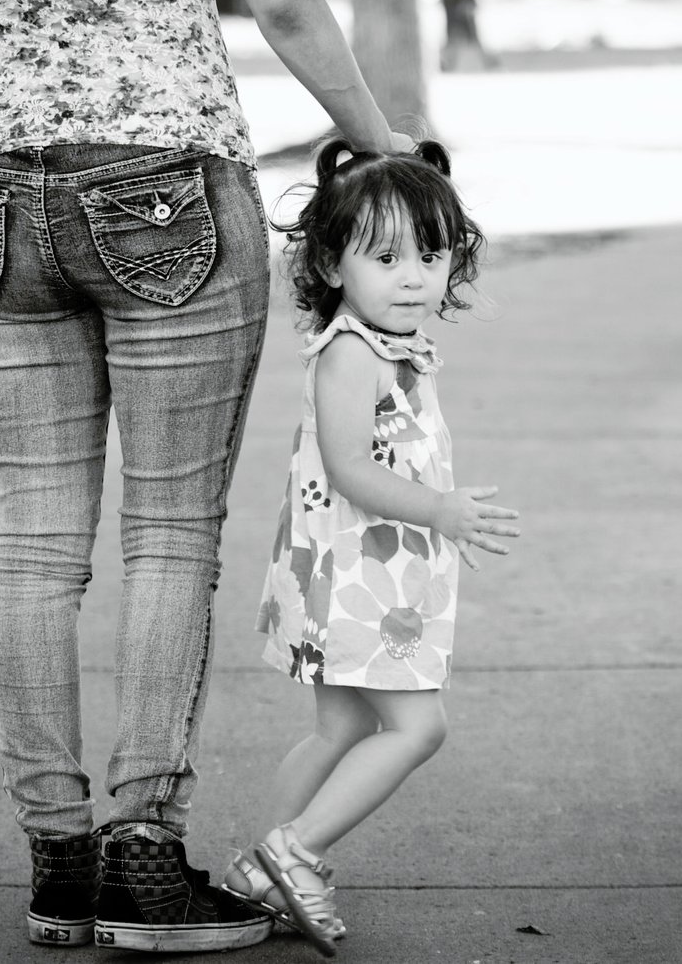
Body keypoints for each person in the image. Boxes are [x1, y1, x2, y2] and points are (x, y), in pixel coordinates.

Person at [0, 0, 413, 954]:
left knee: (32, 538)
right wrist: (381, 141)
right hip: (163, 172)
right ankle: (142, 854)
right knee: (167, 530)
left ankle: (60, 859)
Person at [220, 138, 519, 955]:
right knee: (420, 729)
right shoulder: (351, 354)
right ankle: (297, 849)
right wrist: (443, 509)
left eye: (431, 252)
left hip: (360, 574)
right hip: (358, 577)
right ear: (329, 263)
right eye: (386, 256)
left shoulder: (393, 343)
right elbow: (352, 468)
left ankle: (255, 871)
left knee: (339, 728)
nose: (415, 274)